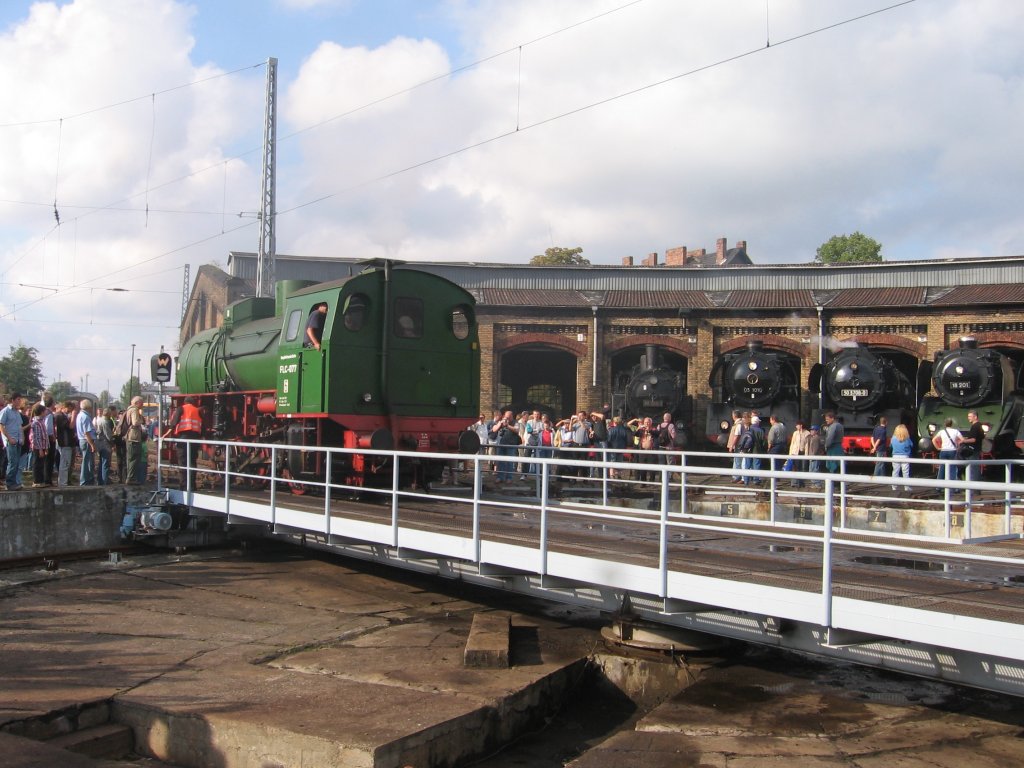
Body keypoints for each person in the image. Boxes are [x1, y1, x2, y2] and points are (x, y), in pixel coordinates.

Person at [167, 396, 203, 488]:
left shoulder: (181, 409)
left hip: (183, 438)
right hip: (194, 439)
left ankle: (183, 485)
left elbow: (174, 422)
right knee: (192, 462)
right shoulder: (197, 410)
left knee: (183, 462)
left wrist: (167, 433)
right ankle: (192, 485)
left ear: (185, 402)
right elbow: (202, 425)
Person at [0, 393, 26, 491]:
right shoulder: (5, 411)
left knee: (17, 462)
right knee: (12, 462)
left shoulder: (17, 412)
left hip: (18, 441)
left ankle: (14, 482)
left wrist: (22, 438)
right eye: (18, 399)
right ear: (13, 400)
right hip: (11, 441)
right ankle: (9, 483)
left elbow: (20, 426)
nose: (20, 401)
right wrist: (9, 438)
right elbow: (1, 426)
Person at [125, 396, 148, 484]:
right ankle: (131, 478)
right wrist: (141, 420)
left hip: (130, 437)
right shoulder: (134, 410)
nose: (142, 405)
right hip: (134, 437)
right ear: (137, 403)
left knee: (130, 458)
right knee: (134, 458)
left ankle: (129, 477)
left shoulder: (129, 409)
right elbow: (134, 422)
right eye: (141, 403)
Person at [54, 401, 76, 488]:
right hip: (64, 442)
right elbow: (70, 426)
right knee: (65, 463)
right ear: (66, 407)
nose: (71, 411)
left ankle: (63, 481)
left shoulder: (61, 416)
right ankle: (63, 483)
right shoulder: (60, 416)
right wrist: (74, 416)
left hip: (64, 442)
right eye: (71, 408)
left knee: (64, 462)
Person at [76, 399, 97, 486]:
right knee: (87, 462)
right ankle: (85, 481)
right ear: (88, 407)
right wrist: (92, 444)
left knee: (86, 460)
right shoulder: (86, 417)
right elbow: (87, 433)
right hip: (87, 441)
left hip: (82, 440)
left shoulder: (79, 415)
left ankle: (86, 479)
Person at [29, 403, 50, 488]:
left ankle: (41, 480)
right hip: (38, 447)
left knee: (41, 464)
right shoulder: (36, 423)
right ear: (41, 412)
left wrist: (46, 447)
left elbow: (44, 435)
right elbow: (36, 437)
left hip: (43, 447)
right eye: (45, 411)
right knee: (37, 464)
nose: (46, 413)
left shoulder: (41, 422)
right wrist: (41, 449)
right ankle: (36, 481)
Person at [959, 410, 984, 482]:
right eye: (968, 416)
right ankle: (976, 487)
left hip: (972, 450)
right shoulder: (980, 426)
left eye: (970, 416)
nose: (968, 418)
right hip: (977, 449)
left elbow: (973, 439)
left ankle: (973, 487)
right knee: (975, 467)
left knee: (973, 468)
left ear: (975, 417)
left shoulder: (975, 426)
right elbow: (981, 437)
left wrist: (963, 441)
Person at [93, 406, 115, 485]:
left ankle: (99, 480)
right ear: (109, 414)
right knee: (105, 463)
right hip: (105, 444)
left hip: (99, 443)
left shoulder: (99, 420)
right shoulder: (105, 422)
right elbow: (108, 435)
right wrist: (112, 443)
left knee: (101, 462)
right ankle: (104, 481)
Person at [890, 423, 914, 492]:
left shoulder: (893, 438)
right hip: (905, 456)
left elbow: (891, 446)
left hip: (895, 456)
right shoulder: (907, 438)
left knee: (895, 471)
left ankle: (894, 487)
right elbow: (911, 445)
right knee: (905, 472)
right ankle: (906, 487)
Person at [787, 421, 809, 487]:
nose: (796, 426)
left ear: (801, 425)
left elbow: (807, 444)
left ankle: (801, 482)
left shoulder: (807, 433)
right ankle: (794, 483)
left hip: (802, 452)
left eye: (797, 425)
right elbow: (792, 443)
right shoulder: (795, 433)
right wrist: (790, 453)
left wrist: (806, 455)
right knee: (795, 468)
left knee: (802, 468)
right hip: (795, 452)